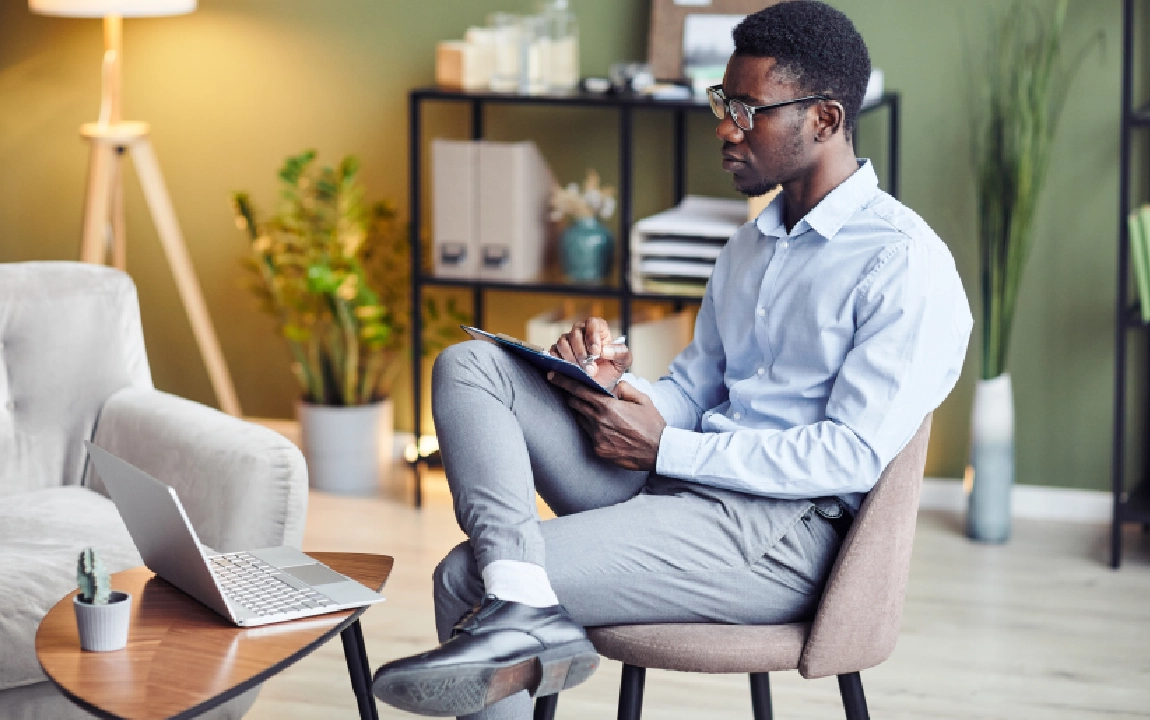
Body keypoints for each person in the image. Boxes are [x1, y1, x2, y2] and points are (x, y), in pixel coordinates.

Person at [372, 2, 972, 718]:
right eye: (725, 102)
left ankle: (514, 603)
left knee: (465, 576)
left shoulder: (902, 264)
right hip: (682, 486)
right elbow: (696, 386)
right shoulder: (750, 246)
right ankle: (522, 607)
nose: (724, 126)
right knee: (472, 368)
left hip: (777, 536)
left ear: (826, 121)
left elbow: (848, 456)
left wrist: (672, 449)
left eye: (749, 109)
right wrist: (617, 387)